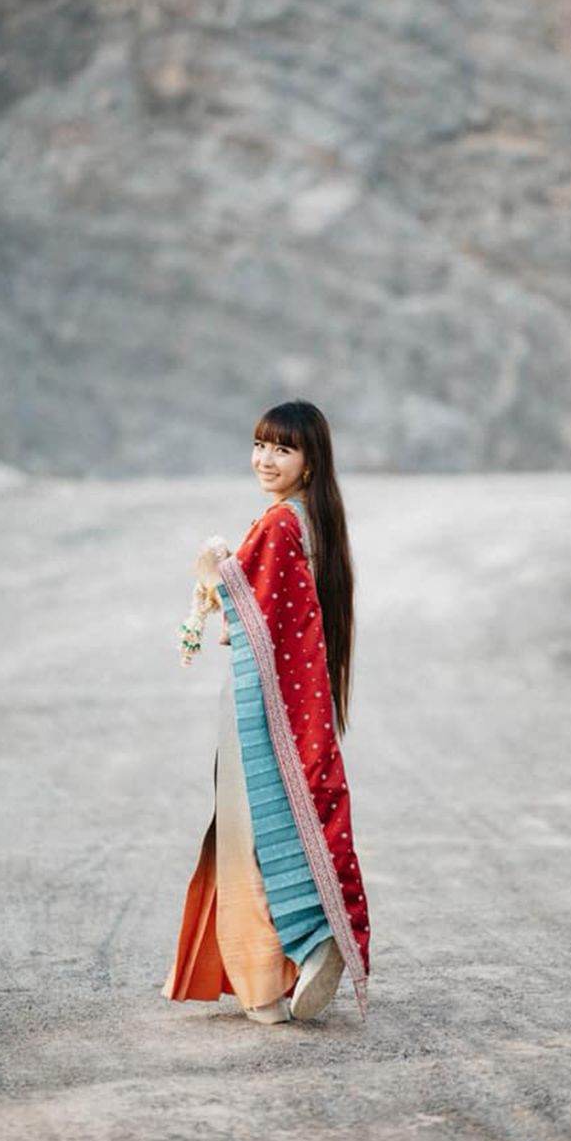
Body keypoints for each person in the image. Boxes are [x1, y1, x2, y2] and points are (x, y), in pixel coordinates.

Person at [161, 399, 371, 1024]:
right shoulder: (312, 522)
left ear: (310, 463)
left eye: (283, 449)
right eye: (261, 445)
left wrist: (212, 573)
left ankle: (268, 981)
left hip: (260, 705)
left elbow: (249, 616)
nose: (266, 459)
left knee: (249, 836)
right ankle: (306, 948)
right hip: (285, 700)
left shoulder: (282, 525)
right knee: (281, 822)